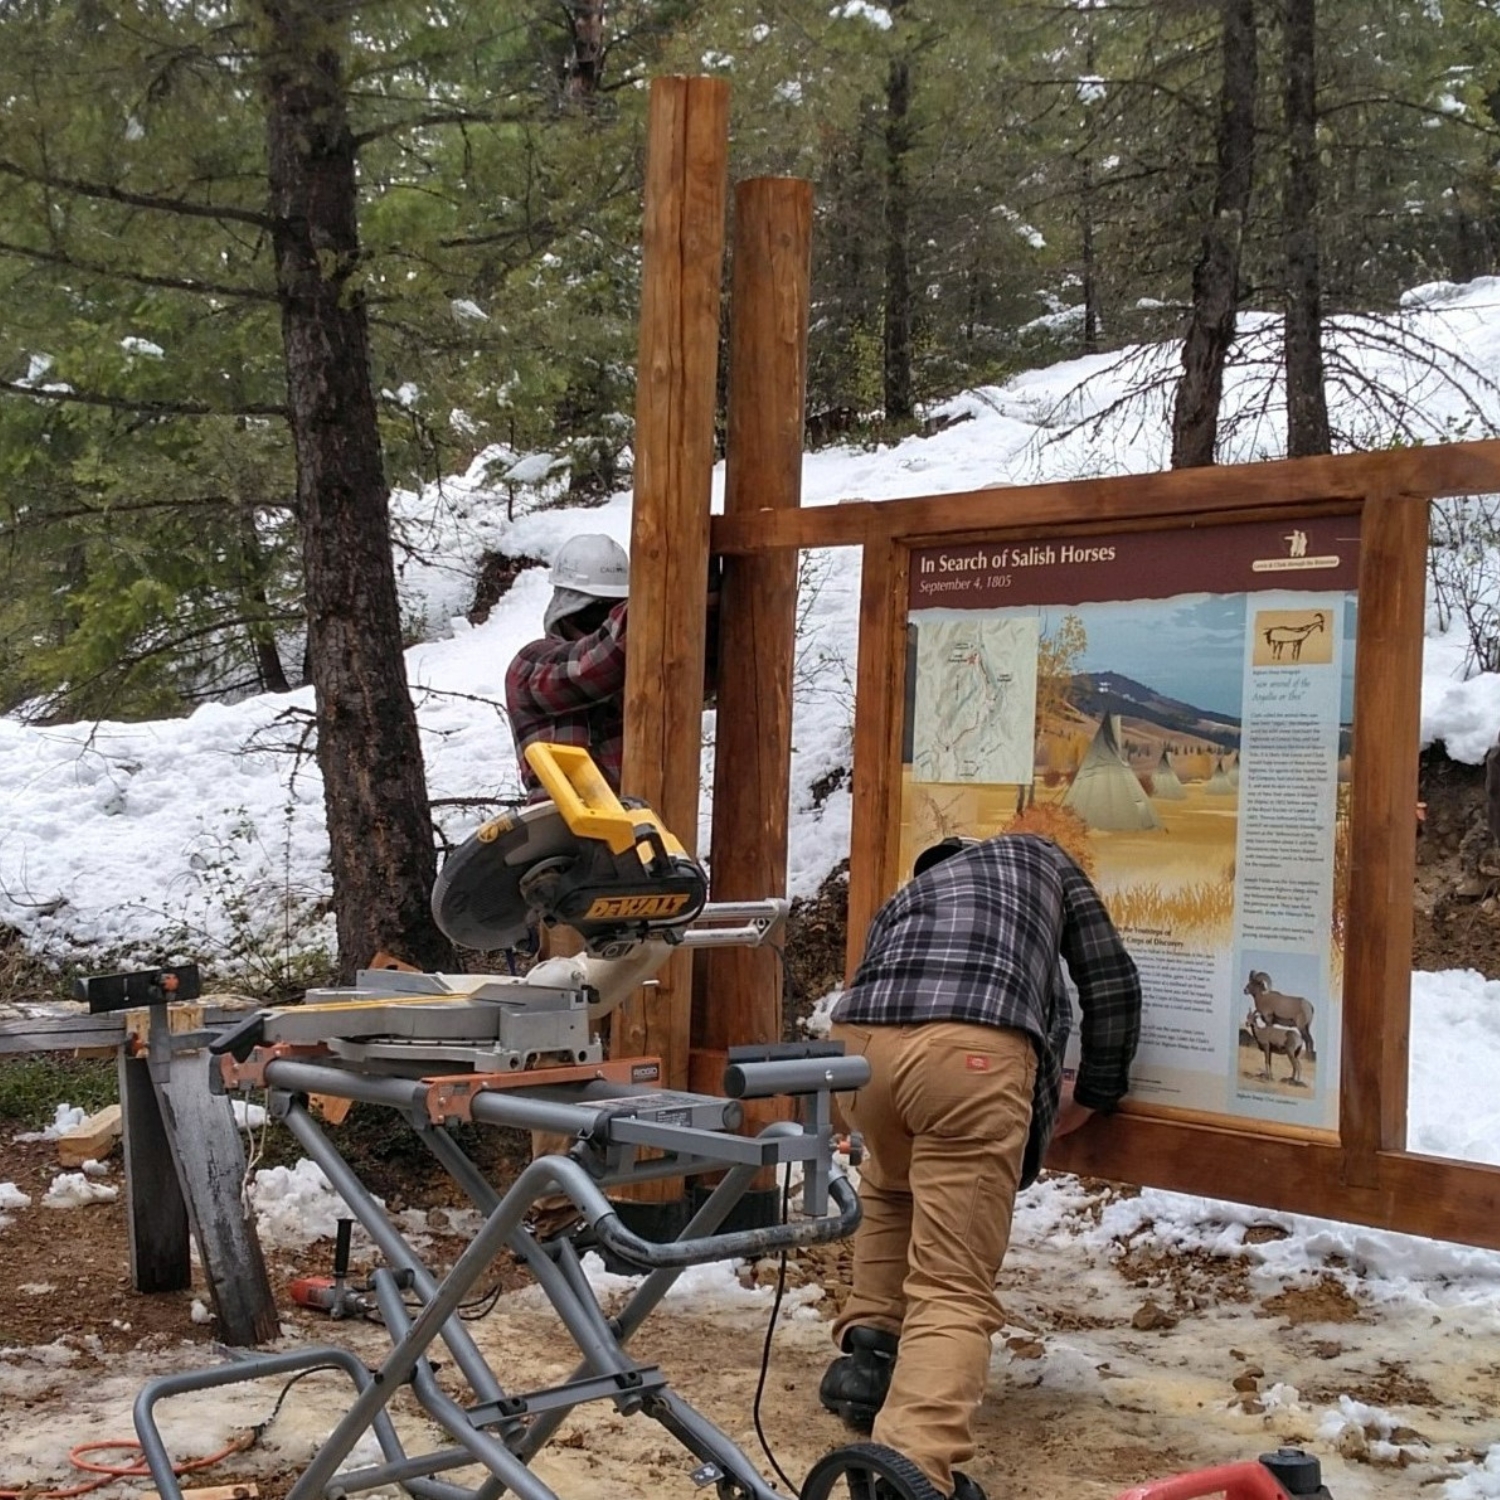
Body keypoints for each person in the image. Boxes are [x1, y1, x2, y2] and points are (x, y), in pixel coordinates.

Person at [818, 833, 1142, 1500]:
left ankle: (869, 1360)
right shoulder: (1046, 861)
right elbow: (1108, 980)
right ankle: (914, 1469)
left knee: (890, 1183)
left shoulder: (910, 897)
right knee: (953, 1283)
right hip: (968, 1052)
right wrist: (1100, 1091)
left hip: (859, 1049)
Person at [505, 533, 631, 802]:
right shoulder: (530, 664)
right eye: (594, 613)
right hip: (561, 829)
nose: (603, 624)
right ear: (565, 611)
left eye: (612, 612)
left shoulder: (637, 667)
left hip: (634, 825)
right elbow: (588, 668)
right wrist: (644, 606)